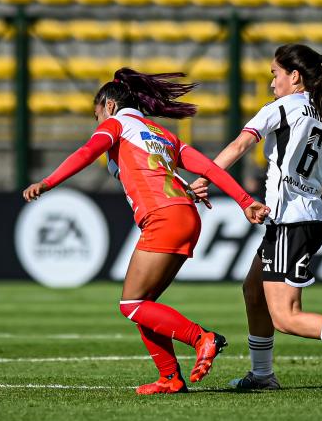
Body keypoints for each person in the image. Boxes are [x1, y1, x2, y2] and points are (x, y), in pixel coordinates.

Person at [23, 68, 270, 395]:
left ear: (109, 106)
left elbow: (86, 152)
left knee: (132, 304)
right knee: (146, 304)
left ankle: (201, 338)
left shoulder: (116, 125)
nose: (97, 123)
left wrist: (47, 182)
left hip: (163, 217)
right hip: (186, 216)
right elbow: (207, 168)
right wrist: (244, 200)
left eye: (96, 115)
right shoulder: (161, 134)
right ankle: (170, 378)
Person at [191, 44, 322, 392]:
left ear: (294, 76)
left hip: (291, 221)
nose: (272, 84)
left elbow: (240, 145)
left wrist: (206, 177)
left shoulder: (282, 108)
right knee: (253, 289)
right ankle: (262, 374)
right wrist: (321, 192)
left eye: (274, 74)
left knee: (286, 316)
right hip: (307, 218)